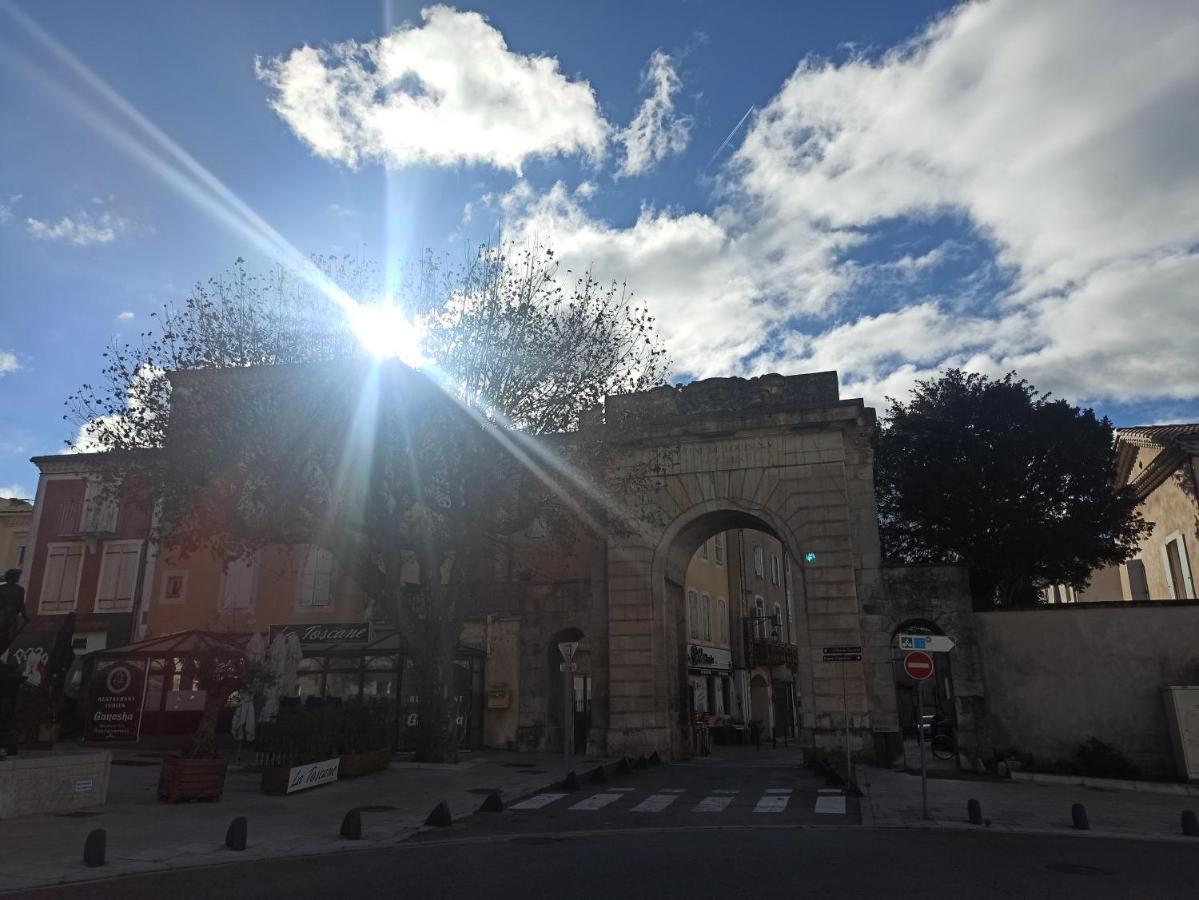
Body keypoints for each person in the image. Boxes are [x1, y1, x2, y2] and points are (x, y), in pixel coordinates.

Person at [0, 569, 29, 658]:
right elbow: (21, 605)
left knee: (9, 639)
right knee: (4, 638)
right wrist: (25, 617)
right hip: (3, 616)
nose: (18, 577)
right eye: (17, 575)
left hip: (11, 618)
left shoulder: (20, 589)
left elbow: (21, 605)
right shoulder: (2, 588)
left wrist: (25, 617)